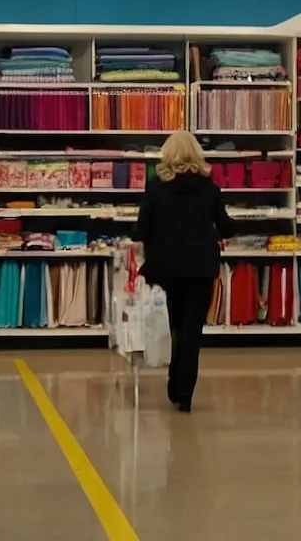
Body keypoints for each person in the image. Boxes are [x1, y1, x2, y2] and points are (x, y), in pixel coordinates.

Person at [133, 131, 236, 412]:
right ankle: (184, 393)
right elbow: (226, 228)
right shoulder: (210, 188)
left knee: (175, 325)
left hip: (166, 268)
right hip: (201, 267)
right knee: (193, 330)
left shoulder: (155, 187)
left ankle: (173, 382)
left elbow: (141, 229)